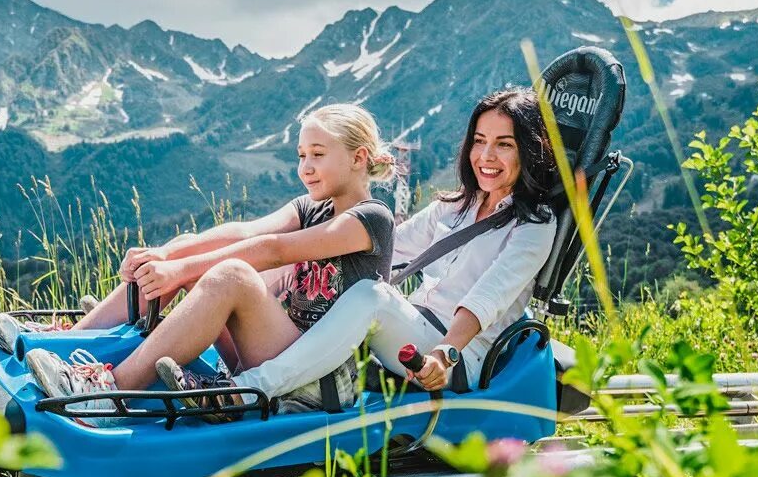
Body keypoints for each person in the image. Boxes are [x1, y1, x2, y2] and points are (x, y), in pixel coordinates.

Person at [171, 86, 559, 412]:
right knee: (348, 285)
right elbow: (392, 247)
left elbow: (487, 297)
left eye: (503, 145)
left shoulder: (535, 225)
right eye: (479, 142)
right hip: (407, 335)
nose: (486, 157)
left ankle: (247, 389)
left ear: (528, 150)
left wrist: (447, 352)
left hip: (453, 356)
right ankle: (242, 370)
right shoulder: (454, 207)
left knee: (372, 296)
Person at [23, 104, 396, 412]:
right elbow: (246, 232)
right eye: (301, 156)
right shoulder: (314, 206)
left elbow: (273, 250)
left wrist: (180, 268)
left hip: (319, 378)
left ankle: (105, 394)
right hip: (280, 353)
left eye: (317, 155)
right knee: (193, 244)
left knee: (232, 275)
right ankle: (73, 340)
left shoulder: (371, 219)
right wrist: (168, 254)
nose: (305, 168)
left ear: (358, 158)